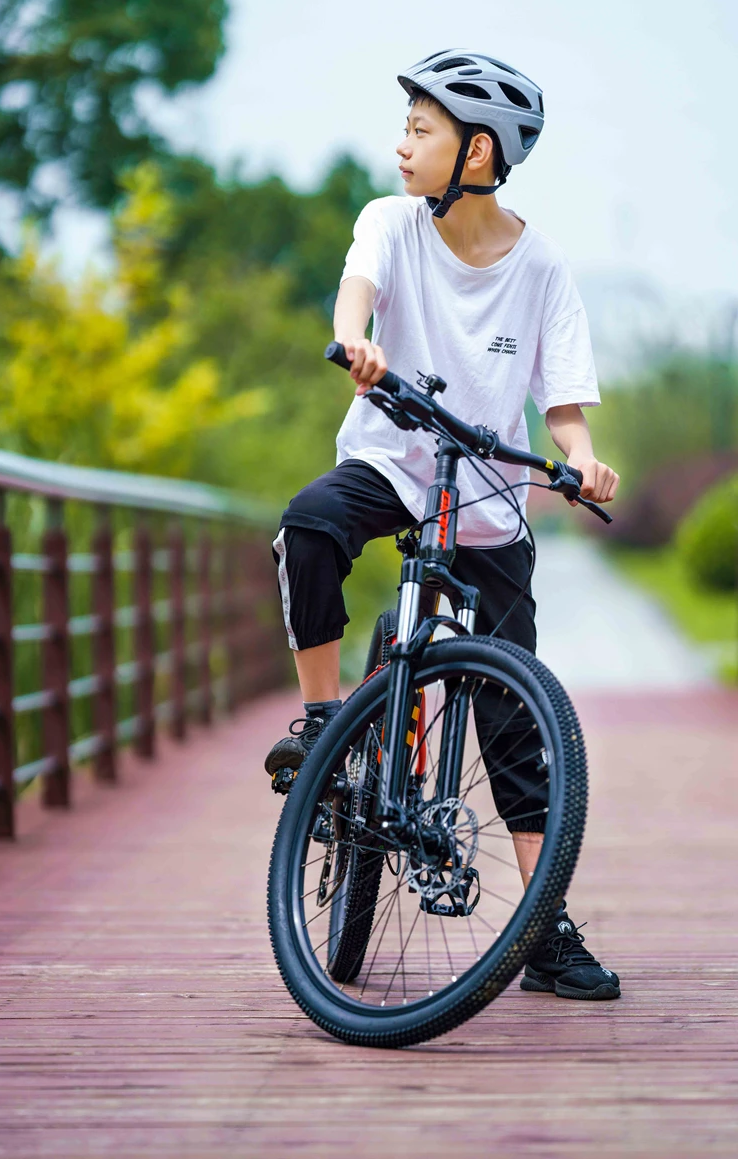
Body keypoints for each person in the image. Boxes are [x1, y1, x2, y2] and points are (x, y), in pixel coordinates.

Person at [265, 50, 621, 1001]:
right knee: (309, 526)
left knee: (515, 721)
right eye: (407, 126)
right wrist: (358, 340)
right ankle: (323, 725)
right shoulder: (389, 222)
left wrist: (582, 455)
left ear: (478, 153)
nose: (402, 145)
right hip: (394, 462)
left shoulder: (541, 267)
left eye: (422, 130)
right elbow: (358, 290)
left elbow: (564, 401)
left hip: (488, 494)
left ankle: (543, 928)